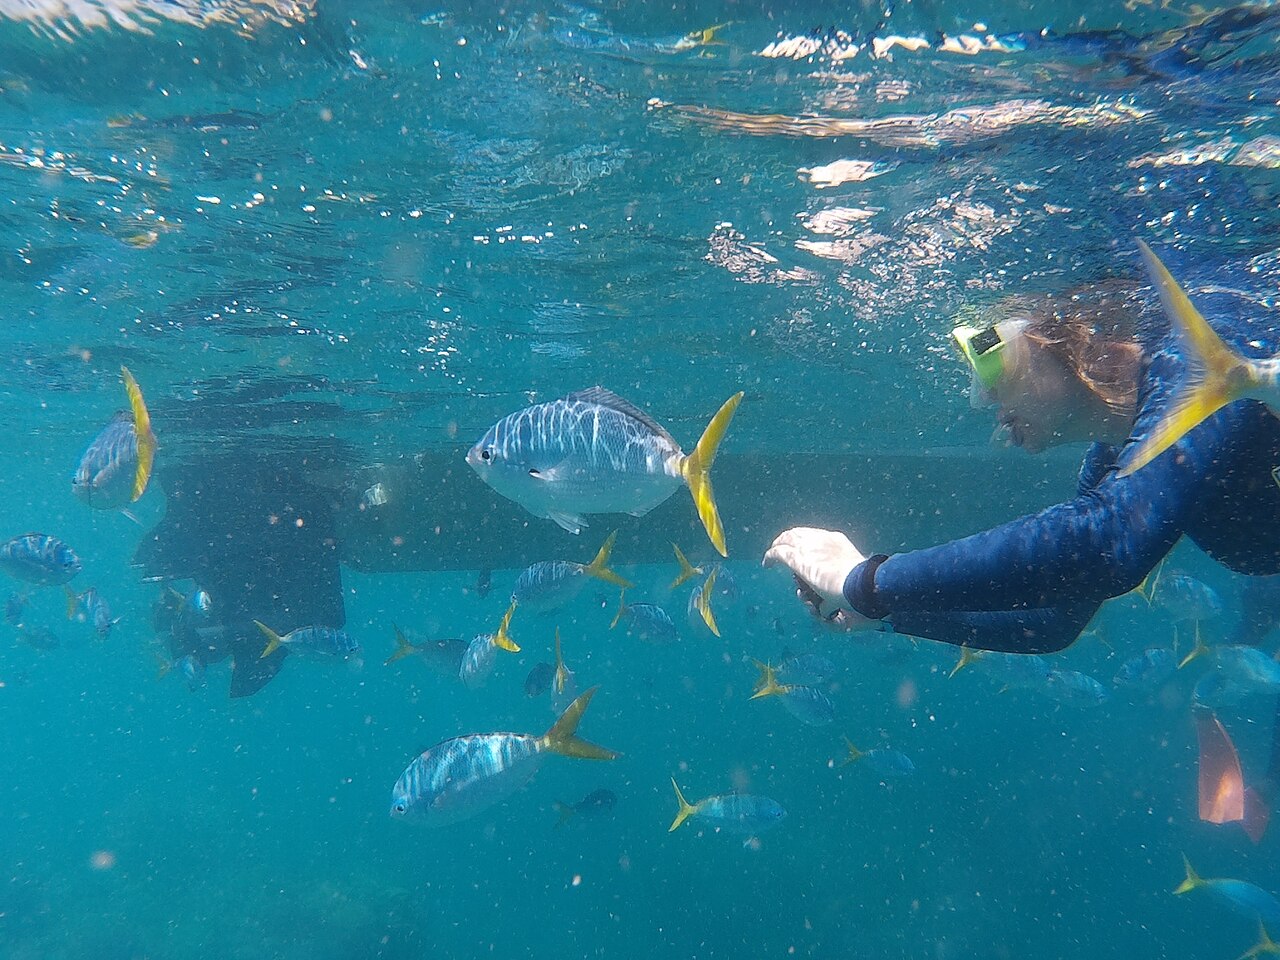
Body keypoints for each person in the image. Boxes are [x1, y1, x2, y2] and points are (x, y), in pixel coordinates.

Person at [763, 241, 1280, 837]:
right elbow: (1052, 622)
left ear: (1073, 337)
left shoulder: (1205, 361)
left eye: (992, 358)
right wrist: (885, 615)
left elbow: (1108, 545)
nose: (983, 398)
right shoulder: (1120, 457)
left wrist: (866, 581)